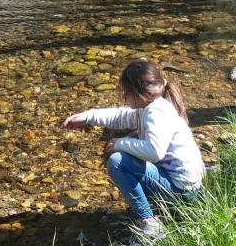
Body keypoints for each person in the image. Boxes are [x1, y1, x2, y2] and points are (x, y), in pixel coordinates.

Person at [61, 60, 204, 242]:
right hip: (186, 186)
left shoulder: (155, 113)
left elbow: (154, 152)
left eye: (123, 91)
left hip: (182, 192)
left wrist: (120, 143)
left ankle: (150, 222)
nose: (122, 96)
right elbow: (120, 116)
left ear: (135, 92)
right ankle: (155, 206)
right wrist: (88, 117)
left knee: (118, 161)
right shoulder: (151, 106)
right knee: (134, 143)